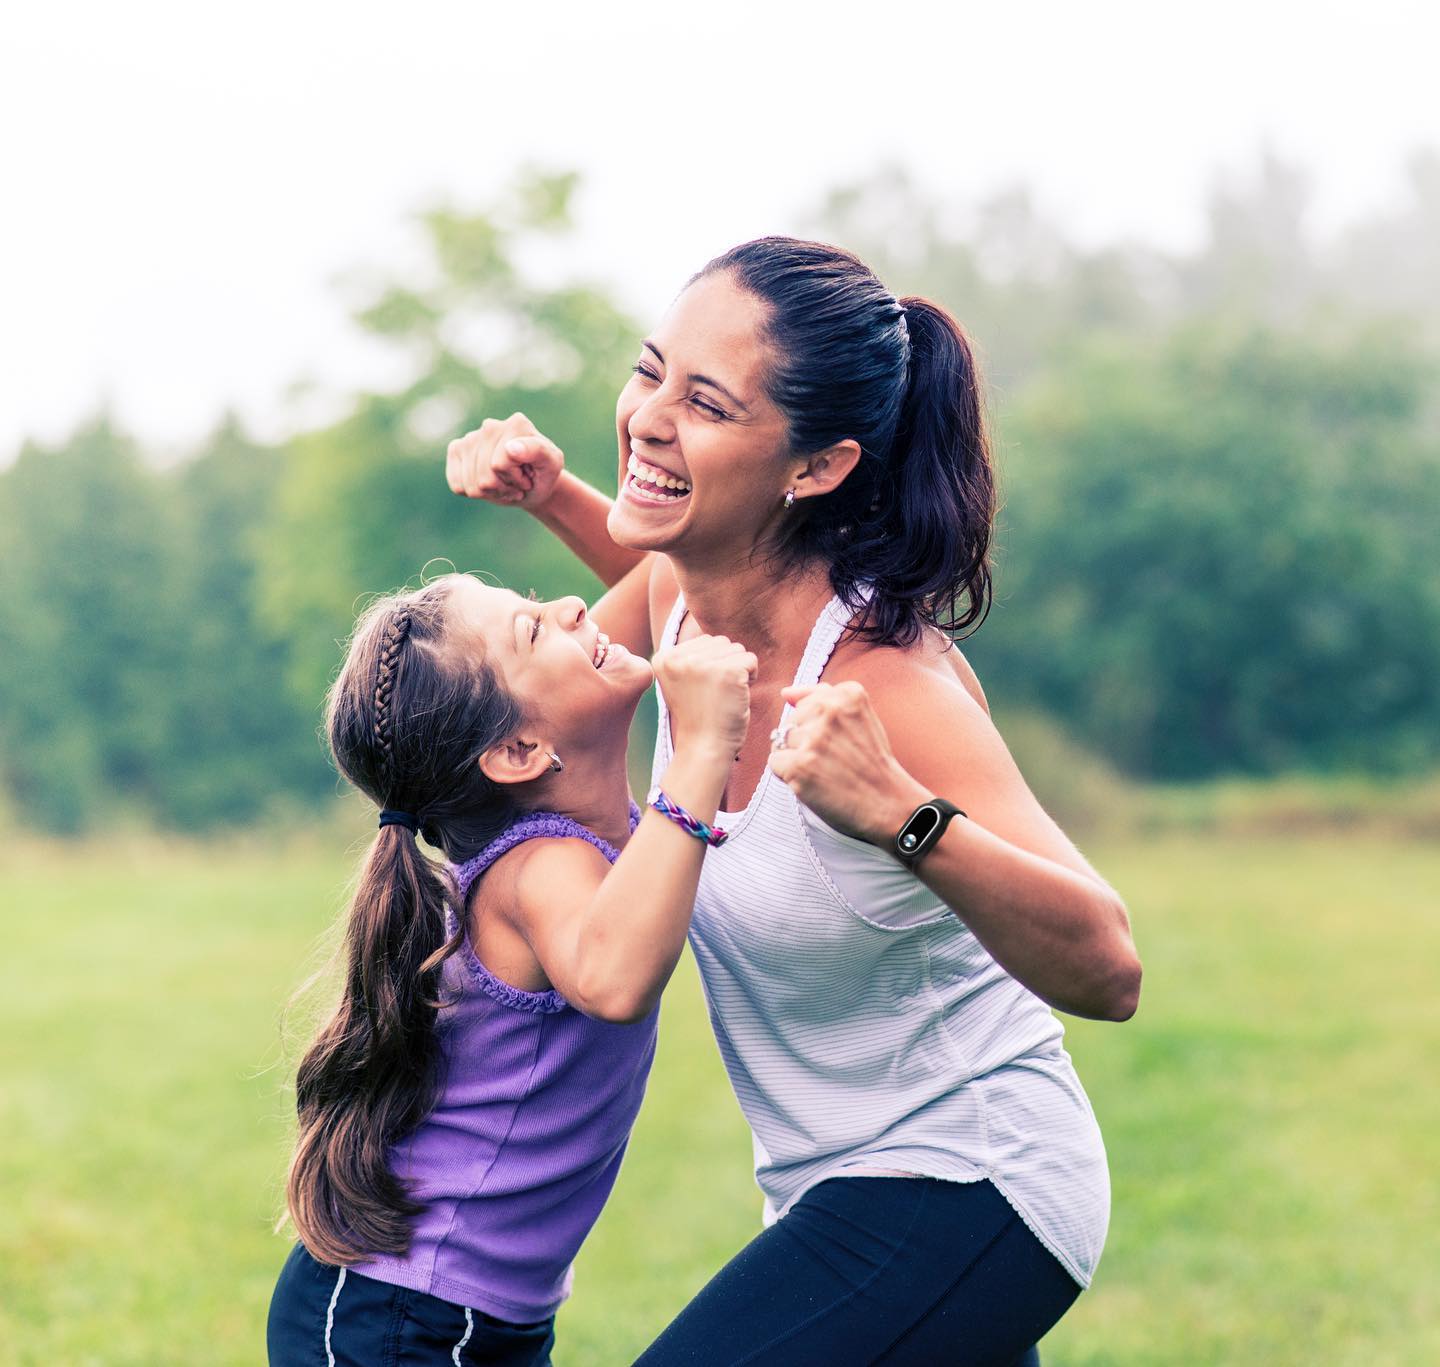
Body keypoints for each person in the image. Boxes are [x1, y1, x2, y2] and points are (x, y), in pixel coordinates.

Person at [445, 236, 1143, 1365]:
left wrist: (904, 814)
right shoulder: (677, 605)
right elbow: (588, 649)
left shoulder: (885, 685)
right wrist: (556, 493)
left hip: (972, 1177)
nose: (650, 415)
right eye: (650, 370)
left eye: (707, 402)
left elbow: (1109, 966)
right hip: (832, 1186)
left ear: (814, 468)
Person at [266, 571, 756, 1366]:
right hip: (405, 1317)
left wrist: (554, 491)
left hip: (454, 1311)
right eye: (533, 627)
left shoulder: (572, 831)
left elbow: (667, 570)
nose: (573, 607)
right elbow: (616, 979)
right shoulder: (539, 866)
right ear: (520, 751)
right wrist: (700, 751)